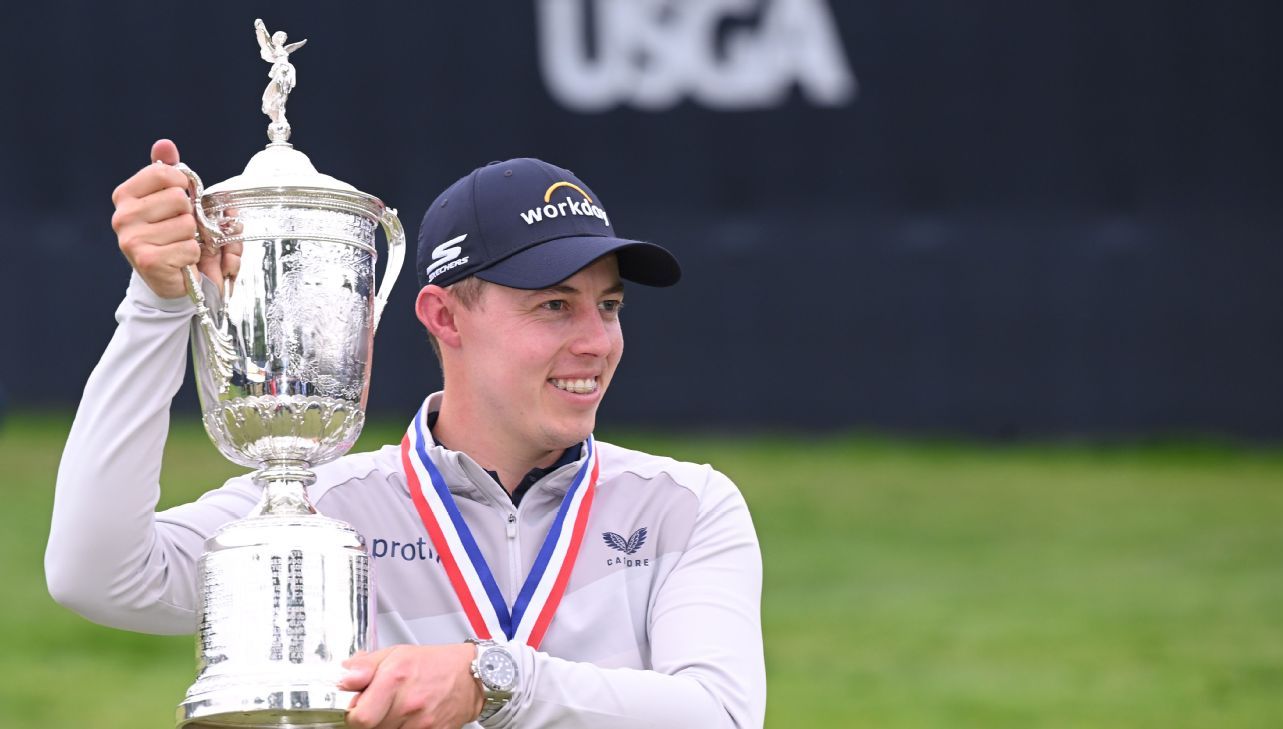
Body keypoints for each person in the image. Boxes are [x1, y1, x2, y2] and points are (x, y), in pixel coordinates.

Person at [46, 139, 765, 728]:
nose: (596, 341)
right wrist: (157, 305)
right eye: (554, 305)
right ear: (444, 317)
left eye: (607, 305)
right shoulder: (325, 506)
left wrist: (494, 679)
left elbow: (722, 714)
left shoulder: (685, 505)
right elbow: (98, 574)